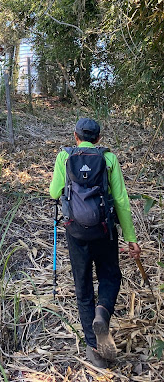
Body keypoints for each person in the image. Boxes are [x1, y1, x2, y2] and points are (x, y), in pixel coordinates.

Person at [50, 117, 141, 369]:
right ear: (98, 139)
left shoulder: (64, 157)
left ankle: (95, 350)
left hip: (76, 233)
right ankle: (103, 311)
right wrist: (131, 238)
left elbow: (54, 192)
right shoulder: (108, 159)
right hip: (104, 231)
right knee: (111, 276)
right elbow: (121, 200)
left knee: (83, 287)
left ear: (76, 135)